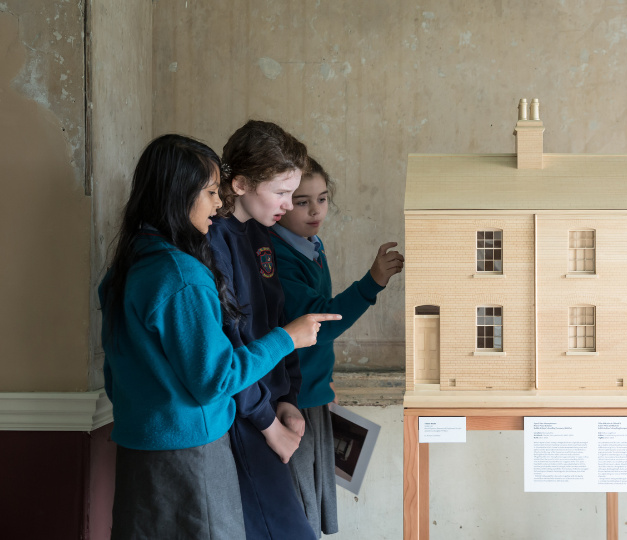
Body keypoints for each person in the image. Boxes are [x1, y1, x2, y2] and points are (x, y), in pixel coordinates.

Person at [99, 134, 339, 539]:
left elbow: (116, 374)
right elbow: (217, 378)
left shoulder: (129, 262)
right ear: (178, 195)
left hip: (144, 443)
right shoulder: (181, 272)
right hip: (192, 444)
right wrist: (287, 339)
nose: (218, 202)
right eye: (211, 192)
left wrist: (284, 396)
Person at [270, 157, 404, 537]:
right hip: (289, 400)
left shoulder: (312, 245)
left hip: (312, 394)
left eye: (323, 199)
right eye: (302, 201)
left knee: (310, 501)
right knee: (297, 509)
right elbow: (318, 324)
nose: (315, 211)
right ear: (281, 204)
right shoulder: (276, 255)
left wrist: (324, 384)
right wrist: (371, 283)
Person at [206, 120, 323, 539]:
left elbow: (276, 321)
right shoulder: (212, 239)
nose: (289, 205)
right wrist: (267, 422)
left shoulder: (261, 234)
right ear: (238, 183)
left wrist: (287, 398)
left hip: (270, 409)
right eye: (281, 193)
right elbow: (226, 350)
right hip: (241, 417)